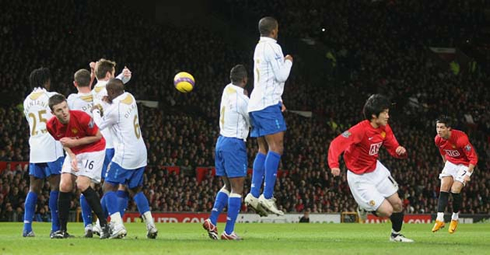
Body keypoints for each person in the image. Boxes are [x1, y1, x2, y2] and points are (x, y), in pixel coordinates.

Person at [328, 94, 414, 242]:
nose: (388, 116)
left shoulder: (384, 128)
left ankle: (395, 235)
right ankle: (365, 207)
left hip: (375, 170)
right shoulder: (359, 130)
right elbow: (336, 144)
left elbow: (393, 146)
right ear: (374, 116)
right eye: (385, 113)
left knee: (398, 204)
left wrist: (400, 150)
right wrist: (334, 165)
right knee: (387, 211)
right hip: (359, 177)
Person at [93, 78, 157, 239]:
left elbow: (98, 126)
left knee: (107, 187)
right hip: (140, 152)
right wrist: (109, 102)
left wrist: (97, 109)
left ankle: (117, 226)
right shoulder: (130, 97)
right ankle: (151, 226)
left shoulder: (114, 110)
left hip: (125, 154)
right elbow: (116, 109)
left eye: (108, 92)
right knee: (135, 189)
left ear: (112, 92)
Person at [244, 16, 293, 217]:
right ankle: (267, 196)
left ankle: (254, 194)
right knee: (277, 146)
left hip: (256, 104)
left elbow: (268, 78)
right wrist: (289, 61)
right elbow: (281, 75)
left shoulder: (258, 47)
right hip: (266, 105)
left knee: (263, 148)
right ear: (274, 30)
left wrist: (278, 98)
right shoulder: (274, 47)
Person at [46, 94, 110, 239]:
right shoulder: (51, 125)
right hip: (75, 152)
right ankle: (62, 230)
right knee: (64, 184)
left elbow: (98, 136)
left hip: (94, 149)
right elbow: (64, 142)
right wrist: (72, 156)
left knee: (82, 184)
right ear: (53, 113)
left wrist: (74, 143)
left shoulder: (82, 118)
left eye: (64, 107)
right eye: (59, 110)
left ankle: (105, 225)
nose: (64, 112)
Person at [203, 65, 250, 241]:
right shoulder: (243, 99)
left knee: (227, 186)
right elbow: (253, 120)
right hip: (234, 143)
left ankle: (212, 220)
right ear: (245, 80)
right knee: (237, 189)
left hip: (221, 141)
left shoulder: (227, 90)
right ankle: (229, 232)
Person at [22, 67, 64, 238]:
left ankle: (26, 227)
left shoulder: (26, 101)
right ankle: (55, 228)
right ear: (46, 81)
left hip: (35, 147)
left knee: (34, 187)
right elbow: (61, 117)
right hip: (51, 146)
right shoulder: (50, 97)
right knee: (56, 187)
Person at [91, 59, 132, 235]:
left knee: (111, 187)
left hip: (107, 145)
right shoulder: (104, 88)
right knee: (115, 187)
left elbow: (113, 85)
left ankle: (101, 224)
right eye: (113, 74)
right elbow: (113, 85)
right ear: (108, 75)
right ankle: (111, 223)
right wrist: (123, 76)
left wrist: (122, 76)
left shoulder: (97, 88)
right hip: (112, 146)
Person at [432, 116, 478, 234]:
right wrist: (445, 163)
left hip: (465, 164)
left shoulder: (461, 139)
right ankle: (440, 219)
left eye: (442, 127)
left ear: (449, 128)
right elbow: (442, 150)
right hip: (451, 162)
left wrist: (468, 173)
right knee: (444, 186)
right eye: (437, 127)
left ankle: (455, 218)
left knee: (455, 189)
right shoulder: (438, 139)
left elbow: (473, 157)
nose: (439, 130)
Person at [66, 69, 96, 237]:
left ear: (74, 83)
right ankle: (101, 223)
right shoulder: (97, 96)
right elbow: (90, 89)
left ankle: (88, 225)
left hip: (79, 147)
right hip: (98, 145)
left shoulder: (71, 99)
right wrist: (93, 72)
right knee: (99, 187)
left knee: (82, 186)